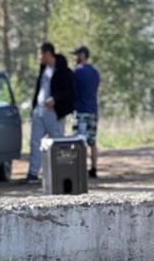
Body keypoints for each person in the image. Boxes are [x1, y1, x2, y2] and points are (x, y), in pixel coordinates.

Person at [23, 42, 76, 184]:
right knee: (35, 142)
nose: (38, 58)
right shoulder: (43, 69)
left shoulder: (63, 71)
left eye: (40, 54)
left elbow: (70, 93)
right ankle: (33, 174)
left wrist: (55, 99)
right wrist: (35, 107)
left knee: (57, 142)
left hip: (54, 112)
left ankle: (59, 174)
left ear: (47, 53)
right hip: (39, 111)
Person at [72, 45, 101, 179]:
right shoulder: (95, 72)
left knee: (79, 140)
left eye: (76, 55)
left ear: (83, 55)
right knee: (92, 141)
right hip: (93, 110)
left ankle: (79, 168)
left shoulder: (76, 72)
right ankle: (93, 168)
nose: (74, 58)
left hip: (80, 111)